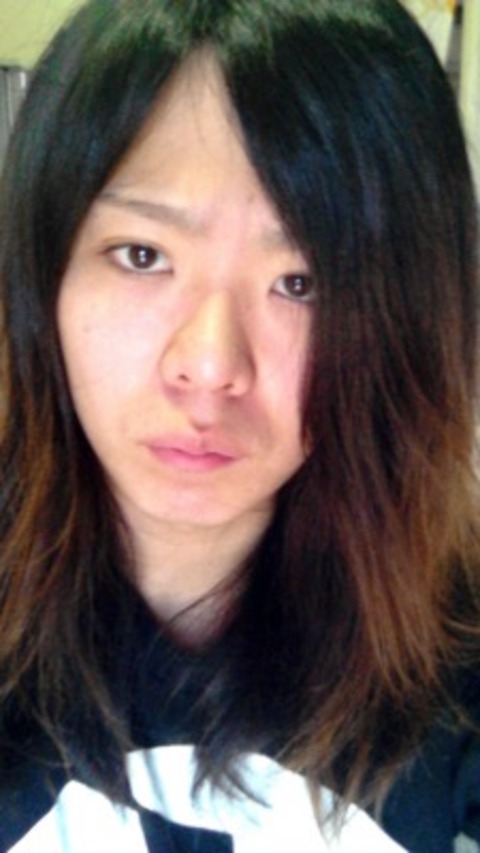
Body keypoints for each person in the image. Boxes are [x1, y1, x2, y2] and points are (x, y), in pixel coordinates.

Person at [0, 0, 479, 850]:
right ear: (43, 274)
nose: (210, 364)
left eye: (303, 281)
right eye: (143, 255)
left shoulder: (454, 648)